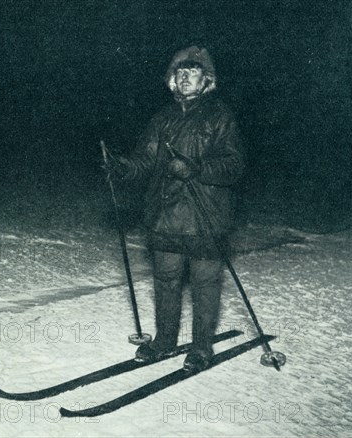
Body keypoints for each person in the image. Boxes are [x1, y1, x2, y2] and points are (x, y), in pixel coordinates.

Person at [107, 46, 245, 372]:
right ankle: (165, 341)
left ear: (206, 79)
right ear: (172, 79)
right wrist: (123, 167)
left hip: (205, 215)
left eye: (192, 72)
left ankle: (201, 348)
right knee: (166, 280)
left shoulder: (220, 117)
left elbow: (235, 164)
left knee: (204, 283)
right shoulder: (162, 119)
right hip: (166, 214)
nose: (184, 78)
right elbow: (146, 158)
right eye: (179, 73)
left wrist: (197, 168)